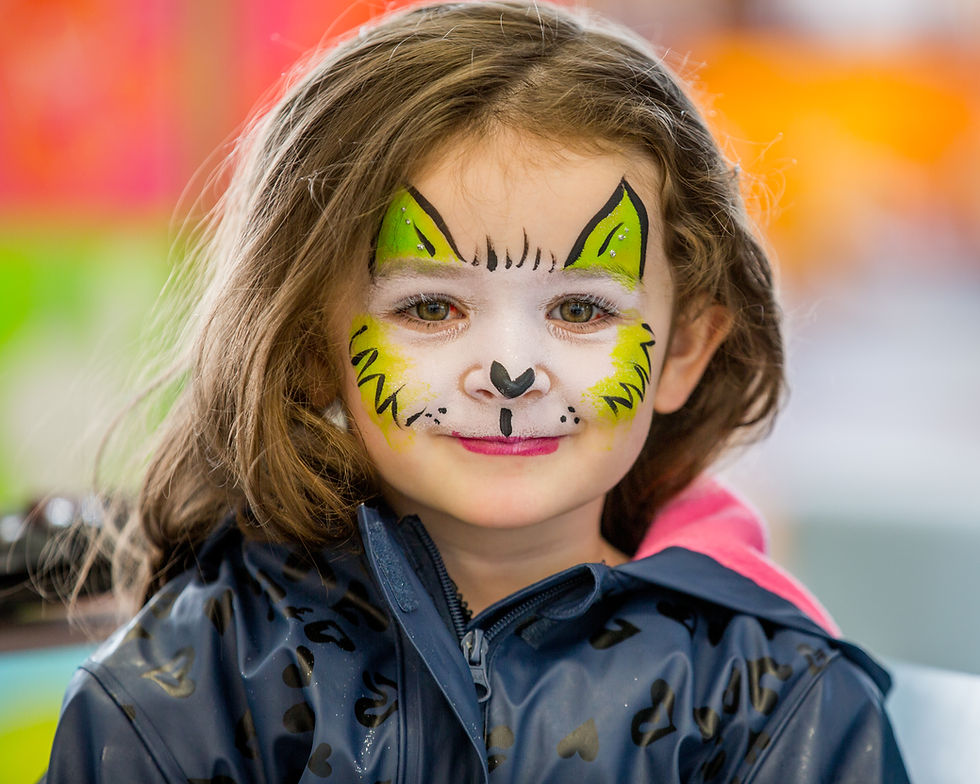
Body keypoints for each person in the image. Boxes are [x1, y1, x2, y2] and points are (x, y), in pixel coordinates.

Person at [44, 1, 910, 781]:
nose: (509, 370)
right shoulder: (191, 687)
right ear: (311, 348)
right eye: (430, 306)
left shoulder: (777, 709)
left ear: (684, 351)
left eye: (579, 308)